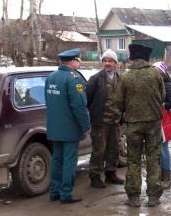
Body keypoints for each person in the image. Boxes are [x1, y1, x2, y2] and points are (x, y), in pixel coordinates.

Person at [117, 44, 165, 207]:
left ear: (132, 57)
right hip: (153, 123)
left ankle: (134, 197)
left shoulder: (125, 76)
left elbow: (119, 102)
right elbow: (163, 95)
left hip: (133, 124)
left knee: (134, 159)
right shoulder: (156, 74)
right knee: (153, 158)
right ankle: (153, 197)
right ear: (146, 57)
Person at [45, 48, 91, 204]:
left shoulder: (51, 77)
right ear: (72, 62)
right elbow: (79, 106)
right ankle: (66, 193)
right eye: (78, 61)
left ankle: (54, 191)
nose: (78, 64)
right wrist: (86, 126)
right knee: (69, 161)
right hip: (70, 128)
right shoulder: (74, 78)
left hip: (54, 127)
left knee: (57, 159)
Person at [86, 49, 124, 188]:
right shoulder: (95, 79)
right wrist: (94, 113)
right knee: (99, 150)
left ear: (115, 63)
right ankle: (95, 176)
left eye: (110, 61)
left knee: (114, 149)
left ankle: (110, 174)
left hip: (115, 121)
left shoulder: (120, 78)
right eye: (105, 61)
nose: (107, 63)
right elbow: (87, 100)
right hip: (100, 122)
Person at [152, 61, 171, 189]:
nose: (154, 73)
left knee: (163, 148)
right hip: (156, 119)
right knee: (158, 149)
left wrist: (161, 105)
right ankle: (161, 175)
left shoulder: (166, 84)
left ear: (162, 72)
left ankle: (166, 177)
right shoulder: (157, 82)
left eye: (156, 70)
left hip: (163, 120)